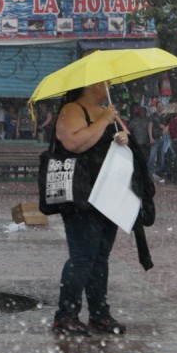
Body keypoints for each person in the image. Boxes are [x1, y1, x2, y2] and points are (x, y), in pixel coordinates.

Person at [51, 82, 130, 336]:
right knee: (82, 256)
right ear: (90, 84)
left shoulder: (106, 111)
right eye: (104, 82)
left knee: (100, 257)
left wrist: (122, 136)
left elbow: (122, 142)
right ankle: (66, 315)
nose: (108, 86)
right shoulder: (72, 110)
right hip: (81, 196)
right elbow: (73, 143)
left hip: (108, 194)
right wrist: (104, 120)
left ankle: (99, 314)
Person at [147, 102, 166, 181]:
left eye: (161, 106)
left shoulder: (164, 116)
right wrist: (151, 138)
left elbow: (166, 127)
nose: (160, 107)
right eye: (158, 106)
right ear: (156, 107)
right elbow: (150, 127)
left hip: (162, 139)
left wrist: (163, 127)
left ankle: (153, 172)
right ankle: (149, 173)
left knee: (161, 159)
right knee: (152, 157)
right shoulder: (153, 116)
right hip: (155, 139)